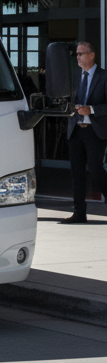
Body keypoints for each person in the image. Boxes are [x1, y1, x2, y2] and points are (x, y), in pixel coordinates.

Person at [64, 41, 107, 225]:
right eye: (77, 54)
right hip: (75, 130)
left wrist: (92, 110)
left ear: (92, 55)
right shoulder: (74, 76)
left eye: (82, 54)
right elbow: (67, 99)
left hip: (94, 131)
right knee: (77, 173)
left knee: (96, 169)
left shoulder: (104, 77)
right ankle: (79, 213)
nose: (78, 57)